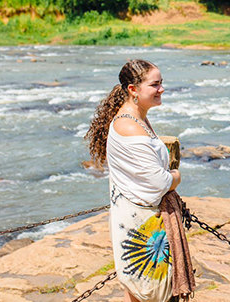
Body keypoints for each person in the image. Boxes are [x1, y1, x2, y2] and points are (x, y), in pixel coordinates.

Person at [86, 59, 181, 302]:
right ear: (133, 90)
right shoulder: (129, 127)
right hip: (142, 226)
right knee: (152, 293)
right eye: (155, 84)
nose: (161, 89)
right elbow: (159, 183)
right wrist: (175, 177)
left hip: (142, 220)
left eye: (162, 83)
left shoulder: (137, 118)